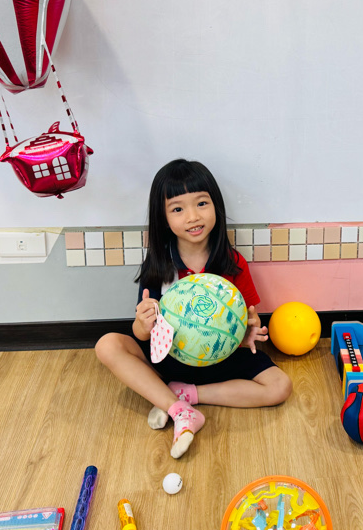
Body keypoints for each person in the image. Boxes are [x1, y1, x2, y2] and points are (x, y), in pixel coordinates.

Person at [95, 159, 292, 459]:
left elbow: (249, 319)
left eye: (201, 203)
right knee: (107, 345)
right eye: (177, 209)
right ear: (163, 218)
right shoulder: (159, 265)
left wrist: (248, 332)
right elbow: (142, 335)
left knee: (280, 387)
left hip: (222, 358)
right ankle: (180, 411)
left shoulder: (233, 262)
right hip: (171, 358)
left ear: (216, 207)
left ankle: (183, 395)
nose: (193, 216)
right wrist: (142, 324)